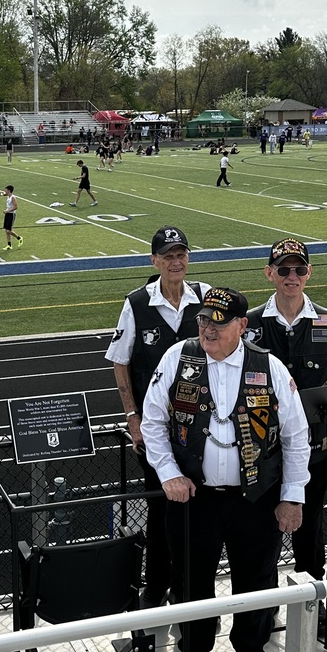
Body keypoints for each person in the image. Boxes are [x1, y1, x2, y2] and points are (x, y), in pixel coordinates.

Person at [141, 287, 310, 652]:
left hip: (254, 499)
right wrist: (168, 473)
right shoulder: (178, 358)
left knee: (256, 581)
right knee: (190, 580)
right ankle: (194, 650)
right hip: (193, 499)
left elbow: (296, 436)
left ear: (241, 326)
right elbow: (152, 421)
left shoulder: (268, 366)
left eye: (218, 323)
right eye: (202, 320)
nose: (208, 330)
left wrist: (292, 496)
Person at [106, 226, 210, 608]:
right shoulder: (136, 303)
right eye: (167, 256)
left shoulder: (204, 297)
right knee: (160, 508)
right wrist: (132, 417)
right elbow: (120, 363)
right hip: (154, 431)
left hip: (199, 431)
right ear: (154, 261)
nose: (175, 261)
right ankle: (158, 584)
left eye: (180, 254)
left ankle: (190, 586)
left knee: (198, 508)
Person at [245, 239, 327, 588]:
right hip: (262, 452)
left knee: (310, 529)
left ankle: (314, 611)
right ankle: (263, 612)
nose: (291, 276)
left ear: (309, 274)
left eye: (299, 269)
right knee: (262, 535)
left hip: (316, 451)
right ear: (269, 274)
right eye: (283, 269)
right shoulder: (246, 325)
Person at [1, 184, 23, 251]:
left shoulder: (13, 197)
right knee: (6, 231)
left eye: (6, 190)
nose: (5, 191)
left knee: (9, 230)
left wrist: (7, 211)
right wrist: (1, 194)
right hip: (7, 214)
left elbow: (15, 207)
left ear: (9, 190)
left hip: (11, 214)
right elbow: (4, 194)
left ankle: (19, 238)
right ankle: (9, 245)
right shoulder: (8, 196)